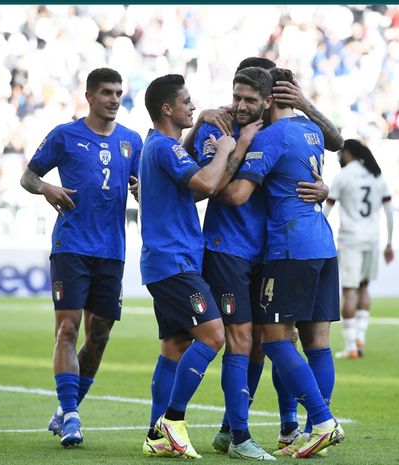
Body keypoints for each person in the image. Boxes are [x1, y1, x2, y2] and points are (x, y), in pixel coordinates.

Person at [219, 67, 345, 458]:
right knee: (318, 344)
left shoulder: (270, 137)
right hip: (323, 243)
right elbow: (335, 141)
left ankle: (323, 421)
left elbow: (238, 195)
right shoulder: (310, 131)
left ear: (270, 98)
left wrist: (198, 181)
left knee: (274, 340)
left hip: (289, 248)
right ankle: (310, 433)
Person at [20, 68, 143, 448]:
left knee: (100, 336)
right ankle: (72, 415)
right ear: (89, 96)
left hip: (112, 251)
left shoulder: (131, 141)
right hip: (71, 246)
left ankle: (66, 408)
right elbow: (27, 176)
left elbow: (141, 191)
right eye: (106, 92)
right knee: (68, 330)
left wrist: (144, 194)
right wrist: (46, 187)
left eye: (118, 92)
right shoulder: (65, 135)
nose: (114, 99)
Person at [139, 74, 241, 459]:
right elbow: (207, 184)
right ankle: (172, 421)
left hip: (164, 262)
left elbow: (192, 188)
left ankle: (154, 433)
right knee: (213, 336)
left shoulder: (158, 147)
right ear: (168, 109)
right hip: (175, 262)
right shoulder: (165, 148)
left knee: (175, 346)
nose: (193, 106)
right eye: (187, 101)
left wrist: (201, 130)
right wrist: (225, 150)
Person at [194, 67, 274, 460]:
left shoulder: (275, 133)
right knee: (239, 339)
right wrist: (240, 142)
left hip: (267, 251)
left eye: (249, 100)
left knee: (260, 343)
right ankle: (241, 436)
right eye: (236, 97)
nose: (240, 106)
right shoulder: (217, 131)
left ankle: (229, 428)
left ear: (267, 101)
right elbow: (218, 188)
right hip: (226, 249)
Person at [323, 139, 394, 359]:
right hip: (372, 238)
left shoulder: (343, 177)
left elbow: (327, 210)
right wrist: (389, 242)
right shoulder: (376, 175)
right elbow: (389, 211)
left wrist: (315, 231)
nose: (338, 156)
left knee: (349, 291)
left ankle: (351, 345)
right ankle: (360, 336)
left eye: (341, 152)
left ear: (348, 153)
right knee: (364, 288)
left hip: (350, 239)